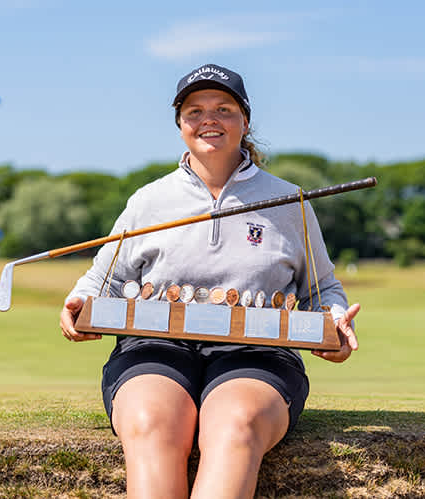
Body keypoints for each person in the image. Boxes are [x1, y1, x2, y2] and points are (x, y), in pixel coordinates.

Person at [60, 63, 360, 499]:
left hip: (258, 353)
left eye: (224, 108)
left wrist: (334, 321)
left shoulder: (291, 202)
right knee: (151, 422)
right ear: (180, 124)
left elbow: (321, 290)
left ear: (245, 120)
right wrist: (77, 305)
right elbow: (102, 281)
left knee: (235, 424)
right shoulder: (148, 201)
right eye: (194, 110)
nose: (209, 119)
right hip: (154, 346)